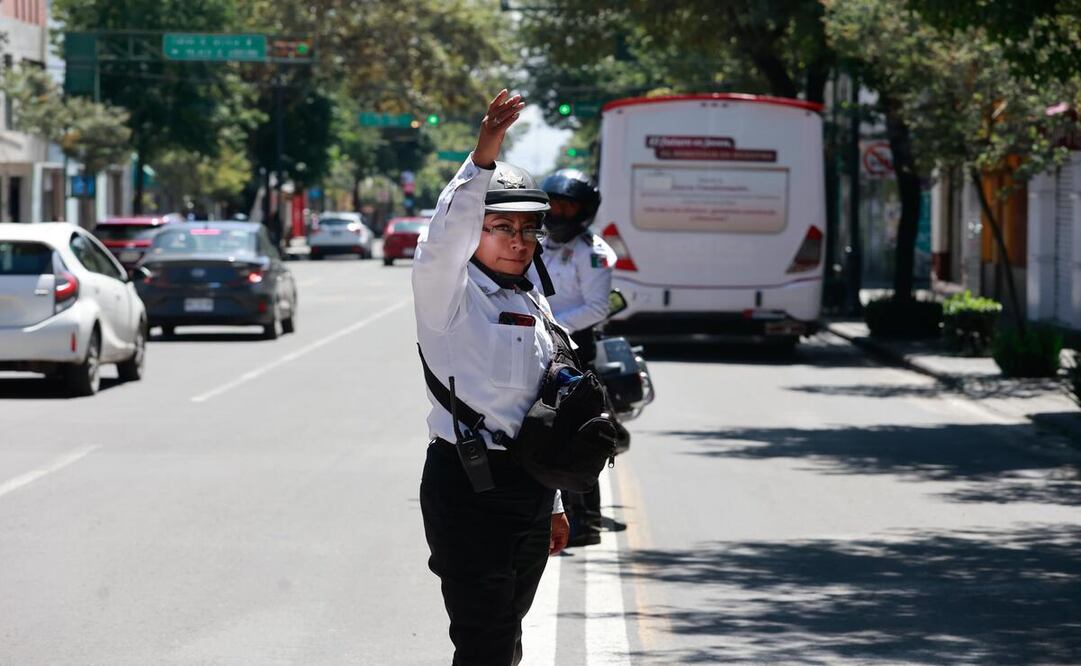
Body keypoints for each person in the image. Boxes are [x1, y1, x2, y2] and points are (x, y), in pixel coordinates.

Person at [413, 89, 570, 666]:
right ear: (474, 233)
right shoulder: (447, 293)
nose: (518, 241)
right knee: (485, 640)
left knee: (507, 635)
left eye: (528, 230)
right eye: (501, 227)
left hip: (529, 487)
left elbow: (535, 409)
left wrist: (554, 502)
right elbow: (445, 235)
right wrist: (485, 151)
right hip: (467, 487)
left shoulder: (534, 303)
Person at [539, 169, 616, 547]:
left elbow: (598, 306)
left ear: (583, 212)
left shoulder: (594, 253)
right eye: (552, 204)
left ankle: (587, 522)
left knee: (577, 435)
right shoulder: (538, 243)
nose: (557, 213)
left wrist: (550, 325)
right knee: (539, 432)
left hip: (575, 350)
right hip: (538, 346)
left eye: (567, 207)